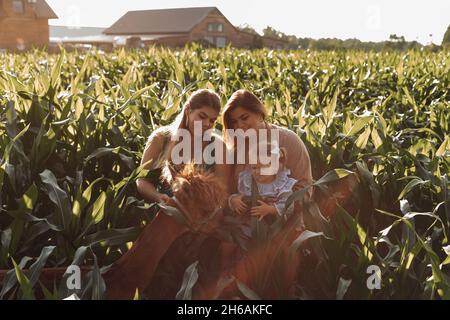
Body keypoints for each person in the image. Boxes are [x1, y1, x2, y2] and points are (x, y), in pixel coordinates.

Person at [222, 89, 313, 212]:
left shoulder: (288, 140)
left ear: (259, 114)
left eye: (244, 118)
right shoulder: (234, 149)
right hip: (242, 222)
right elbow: (225, 190)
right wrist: (232, 200)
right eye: (234, 122)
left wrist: (275, 208)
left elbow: (305, 189)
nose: (240, 125)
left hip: (284, 222)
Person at [229, 143, 297, 219]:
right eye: (254, 168)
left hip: (273, 224)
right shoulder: (247, 181)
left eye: (263, 168)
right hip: (249, 221)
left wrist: (270, 209)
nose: (257, 172)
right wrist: (234, 200)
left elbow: (289, 207)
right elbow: (240, 195)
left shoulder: (282, 185)